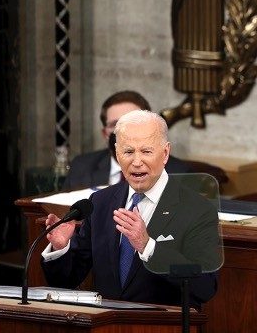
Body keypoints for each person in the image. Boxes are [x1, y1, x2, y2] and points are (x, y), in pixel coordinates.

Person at [42, 110, 220, 307]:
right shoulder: (101, 202)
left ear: (165, 153)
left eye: (146, 151)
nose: (136, 162)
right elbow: (67, 280)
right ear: (117, 154)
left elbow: (204, 287)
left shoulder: (197, 209)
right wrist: (60, 248)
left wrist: (148, 247)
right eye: (128, 152)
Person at [64, 90, 192, 189]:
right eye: (115, 124)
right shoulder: (81, 167)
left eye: (132, 121)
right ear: (105, 134)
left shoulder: (178, 173)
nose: (123, 130)